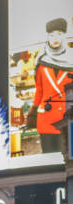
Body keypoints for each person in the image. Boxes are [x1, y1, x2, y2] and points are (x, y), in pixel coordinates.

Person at [26, 18, 73, 153]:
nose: (55, 38)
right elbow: (39, 91)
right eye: (51, 35)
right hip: (46, 120)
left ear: (65, 35)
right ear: (47, 37)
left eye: (59, 33)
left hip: (67, 119)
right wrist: (33, 109)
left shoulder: (71, 60)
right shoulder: (41, 60)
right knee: (49, 159)